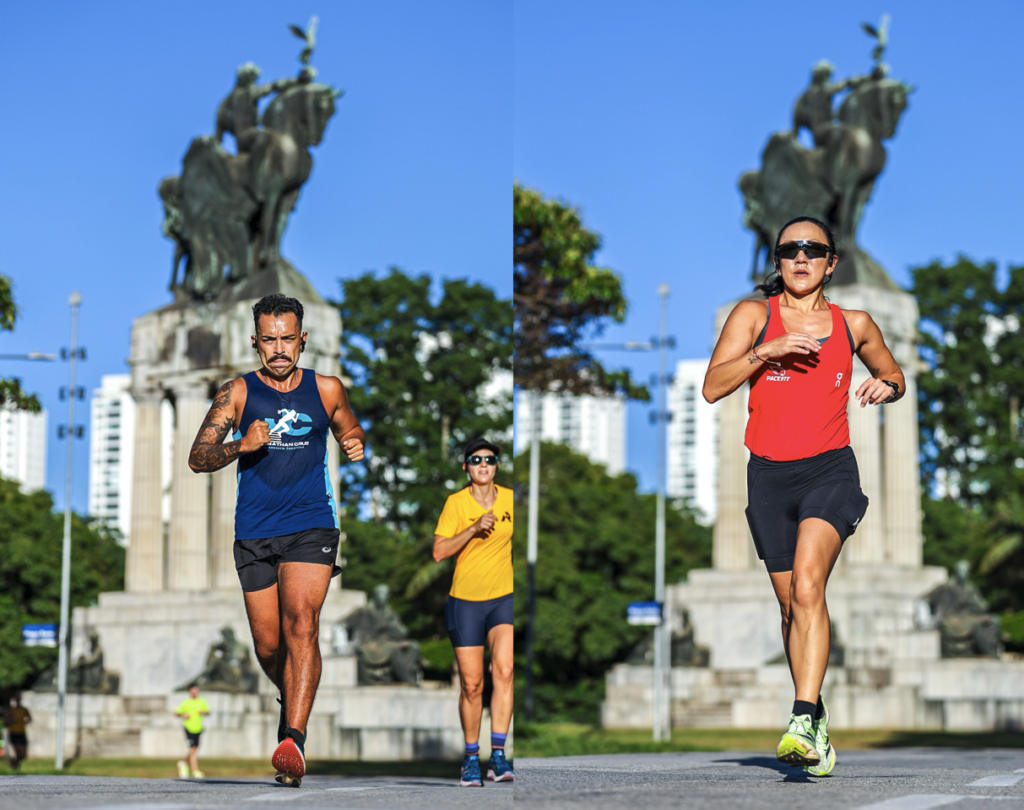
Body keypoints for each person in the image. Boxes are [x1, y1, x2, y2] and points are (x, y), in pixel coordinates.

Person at [703, 216, 905, 776]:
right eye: (790, 249)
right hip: (767, 476)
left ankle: (798, 715)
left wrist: (885, 385)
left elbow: (895, 375)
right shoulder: (753, 315)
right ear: (776, 259)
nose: (801, 258)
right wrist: (766, 353)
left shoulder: (854, 323)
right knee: (791, 606)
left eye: (813, 250)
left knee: (811, 584)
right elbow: (713, 386)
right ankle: (816, 716)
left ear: (831, 262)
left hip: (830, 470)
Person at [188, 293, 365, 787]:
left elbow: (350, 425)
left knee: (302, 625)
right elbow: (197, 457)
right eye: (270, 340)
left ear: (303, 339)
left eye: (288, 338)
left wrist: (355, 441)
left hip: (312, 524)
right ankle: (292, 694)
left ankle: (294, 738)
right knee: (269, 647)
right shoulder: (237, 394)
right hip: (255, 531)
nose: (280, 348)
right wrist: (240, 444)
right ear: (256, 342)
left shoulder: (326, 388)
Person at [433, 439, 514, 786]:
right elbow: (439, 552)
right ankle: (470, 758)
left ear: (496, 466)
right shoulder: (456, 503)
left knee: (505, 670)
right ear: (465, 467)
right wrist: (472, 528)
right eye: (476, 460)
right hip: (465, 602)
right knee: (472, 684)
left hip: (503, 599)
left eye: (490, 460)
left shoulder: (512, 499)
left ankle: (498, 755)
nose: (484, 464)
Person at [175, 685, 210, 778]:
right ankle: (195, 770)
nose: (194, 692)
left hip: (198, 728)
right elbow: (177, 713)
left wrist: (204, 712)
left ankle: (184, 764)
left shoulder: (202, 701)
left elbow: (208, 712)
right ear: (190, 691)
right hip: (188, 727)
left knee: (194, 749)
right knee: (193, 748)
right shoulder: (186, 702)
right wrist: (183, 714)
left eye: (196, 690)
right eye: (192, 690)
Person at [4, 693, 31, 769]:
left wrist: (27, 720)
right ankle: (15, 766)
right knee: (18, 751)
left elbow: (29, 718)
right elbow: (5, 722)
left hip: (22, 733)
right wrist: (11, 720)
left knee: (23, 754)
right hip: (14, 733)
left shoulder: (24, 710)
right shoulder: (11, 710)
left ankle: (14, 762)